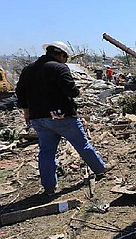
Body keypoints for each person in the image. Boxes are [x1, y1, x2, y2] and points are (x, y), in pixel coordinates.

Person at [15, 41, 110, 196]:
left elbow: (20, 92)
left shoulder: (28, 69)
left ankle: (49, 187)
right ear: (61, 55)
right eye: (65, 58)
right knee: (82, 145)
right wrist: (78, 92)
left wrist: (26, 111)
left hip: (38, 118)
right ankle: (100, 169)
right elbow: (70, 90)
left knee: (46, 151)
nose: (65, 61)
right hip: (61, 116)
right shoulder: (59, 67)